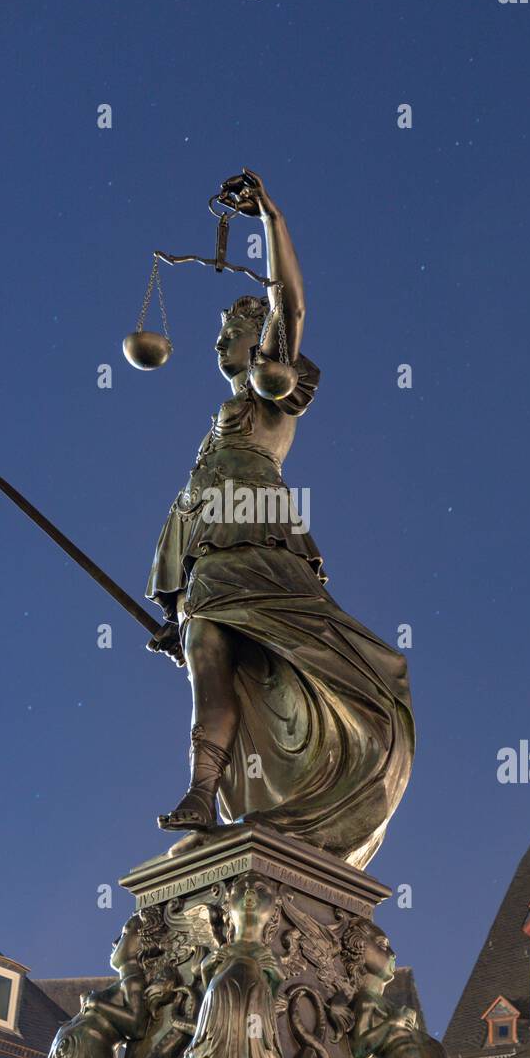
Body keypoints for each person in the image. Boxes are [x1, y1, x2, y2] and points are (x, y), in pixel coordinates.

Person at [145, 170, 414, 869]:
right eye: (223, 332)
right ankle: (202, 794)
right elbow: (190, 503)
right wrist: (174, 604)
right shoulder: (216, 428)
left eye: (231, 329)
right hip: (208, 555)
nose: (219, 341)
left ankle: (342, 757)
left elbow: (289, 302)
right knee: (209, 665)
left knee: (265, 656)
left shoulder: (271, 396)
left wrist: (272, 218)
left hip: (260, 544)